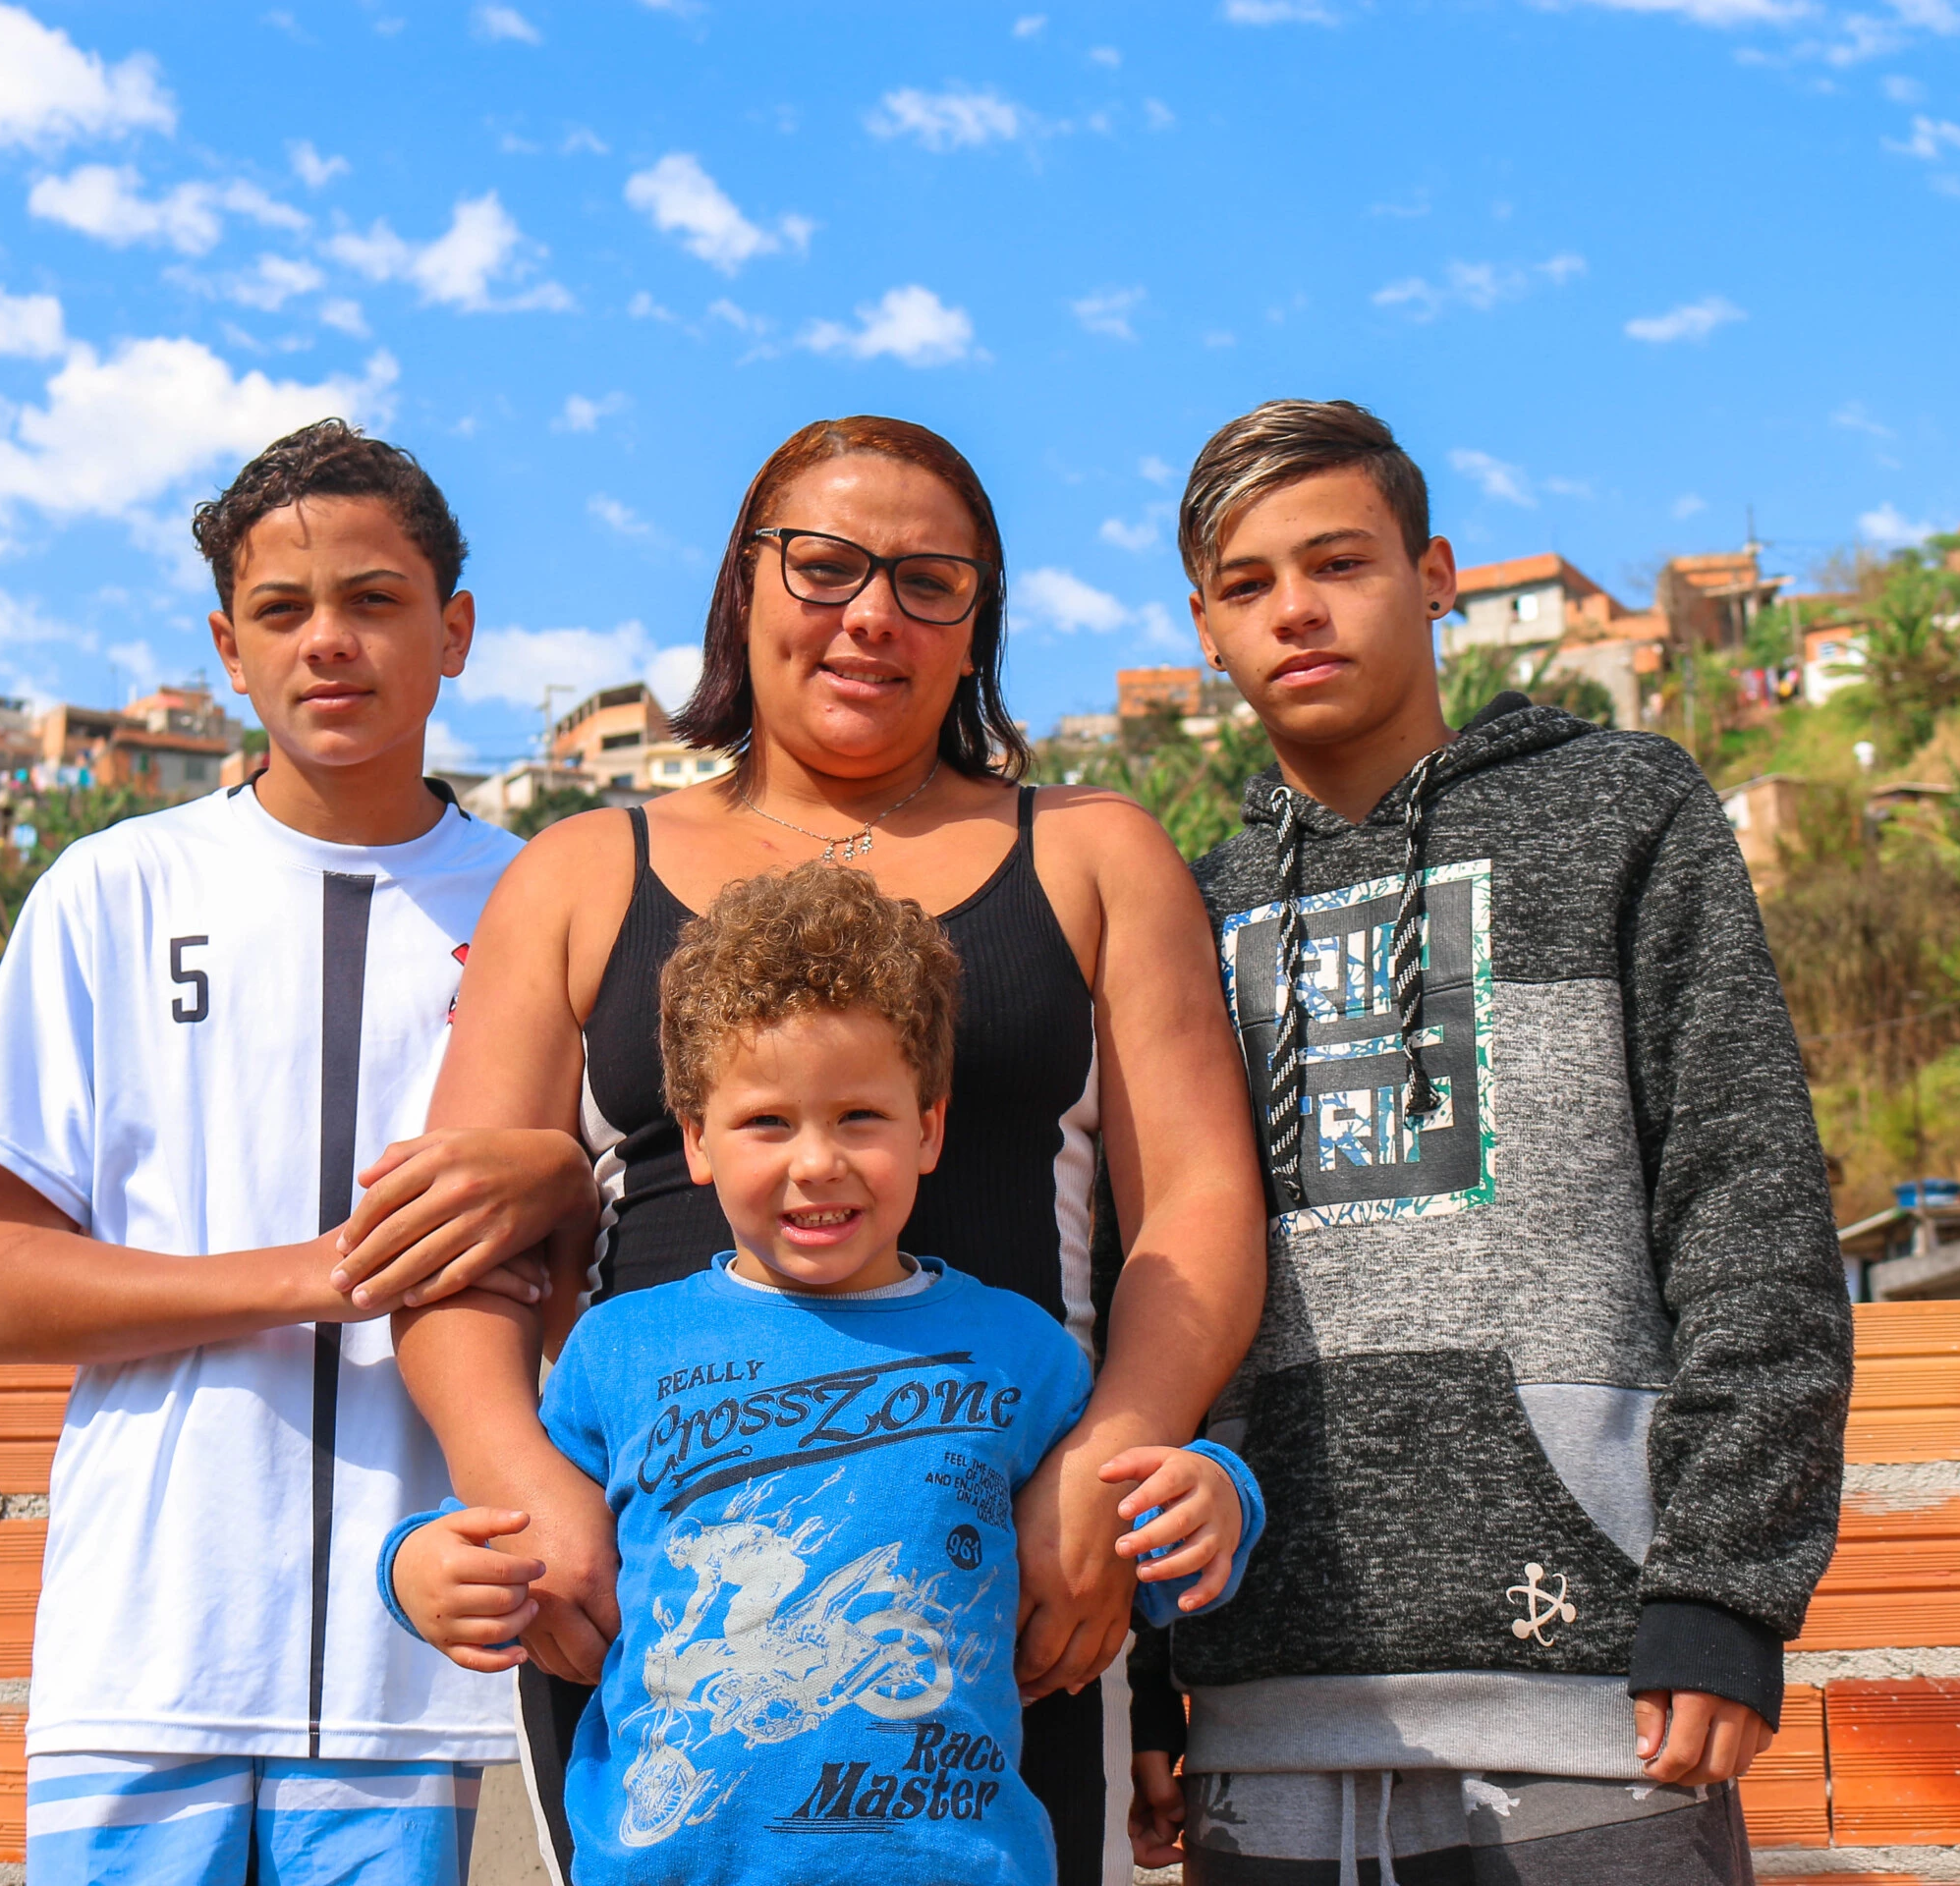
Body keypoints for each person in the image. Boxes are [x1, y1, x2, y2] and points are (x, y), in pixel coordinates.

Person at [335, 415, 1268, 1883]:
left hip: (1001, 1586)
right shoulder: (585, 870)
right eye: (824, 566)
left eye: (929, 582)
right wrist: (526, 1480)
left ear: (980, 630)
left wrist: (1105, 1456)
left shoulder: (1097, 856)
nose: (871, 614)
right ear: (742, 590)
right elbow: (456, 1237)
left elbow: (1200, 1200)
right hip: (651, 1602)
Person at [1124, 399, 1853, 1884]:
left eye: (1340, 561)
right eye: (1248, 584)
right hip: (1264, 1716)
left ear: (1436, 572)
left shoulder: (1621, 812)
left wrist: (1727, 1582)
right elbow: (1133, 1284)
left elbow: (1751, 1206)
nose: (1298, 611)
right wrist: (1144, 1667)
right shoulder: (1177, 905)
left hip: (1606, 1703)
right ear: (1202, 625)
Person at [0, 420, 588, 1886]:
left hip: (438, 1664)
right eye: (283, 612)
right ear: (230, 647)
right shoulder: (113, 888)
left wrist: (564, 1184)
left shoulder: (552, 902)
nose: (329, 643)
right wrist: (321, 1272)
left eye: (374, 600)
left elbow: (622, 1249)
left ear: (455, 630)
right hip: (152, 1642)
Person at [382, 865, 1264, 1886]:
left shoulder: (1023, 1350)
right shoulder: (616, 1349)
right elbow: (505, 1539)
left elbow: (1135, 1530)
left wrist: (1215, 1498)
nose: (816, 1162)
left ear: (927, 1127)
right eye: (767, 1122)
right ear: (696, 1136)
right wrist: (416, 1572)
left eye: (858, 1118)